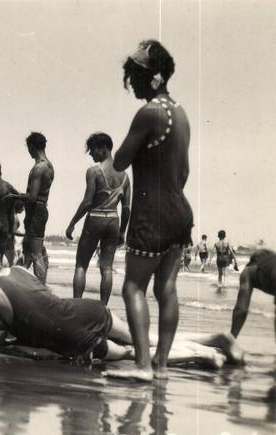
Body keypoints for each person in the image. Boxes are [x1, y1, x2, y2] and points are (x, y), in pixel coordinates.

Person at [0, 262, 242, 370]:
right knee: (146, 339)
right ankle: (214, 339)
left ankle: (204, 356)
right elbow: (34, 308)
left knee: (134, 353)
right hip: (86, 309)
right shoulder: (18, 269)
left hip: (75, 336)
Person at [106, 40, 193, 382]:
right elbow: (184, 172)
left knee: (133, 288)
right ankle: (161, 364)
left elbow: (120, 161)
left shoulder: (149, 113)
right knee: (166, 289)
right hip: (179, 211)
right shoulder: (181, 114)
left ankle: (142, 366)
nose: (135, 87)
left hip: (151, 213)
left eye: (137, 79)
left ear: (153, 77)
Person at [65, 132, 131, 305]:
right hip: (113, 221)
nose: (91, 154)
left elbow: (87, 201)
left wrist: (72, 223)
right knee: (107, 268)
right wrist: (123, 231)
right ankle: (103, 309)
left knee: (81, 266)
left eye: (93, 150)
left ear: (103, 149)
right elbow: (126, 208)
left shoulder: (94, 171)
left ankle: (76, 306)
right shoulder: (125, 176)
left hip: (95, 217)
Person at [7, 132, 54, 284]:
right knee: (28, 251)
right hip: (38, 209)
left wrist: (15, 196)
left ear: (32, 146)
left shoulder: (39, 167)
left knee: (36, 253)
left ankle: (41, 290)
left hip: (36, 211)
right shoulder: (48, 166)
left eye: (29, 148)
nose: (28, 151)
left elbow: (32, 197)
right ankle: (24, 285)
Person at [231, 249, 276, 339]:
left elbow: (241, 309)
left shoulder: (248, 271)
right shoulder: (270, 262)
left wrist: (232, 336)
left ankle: (231, 338)